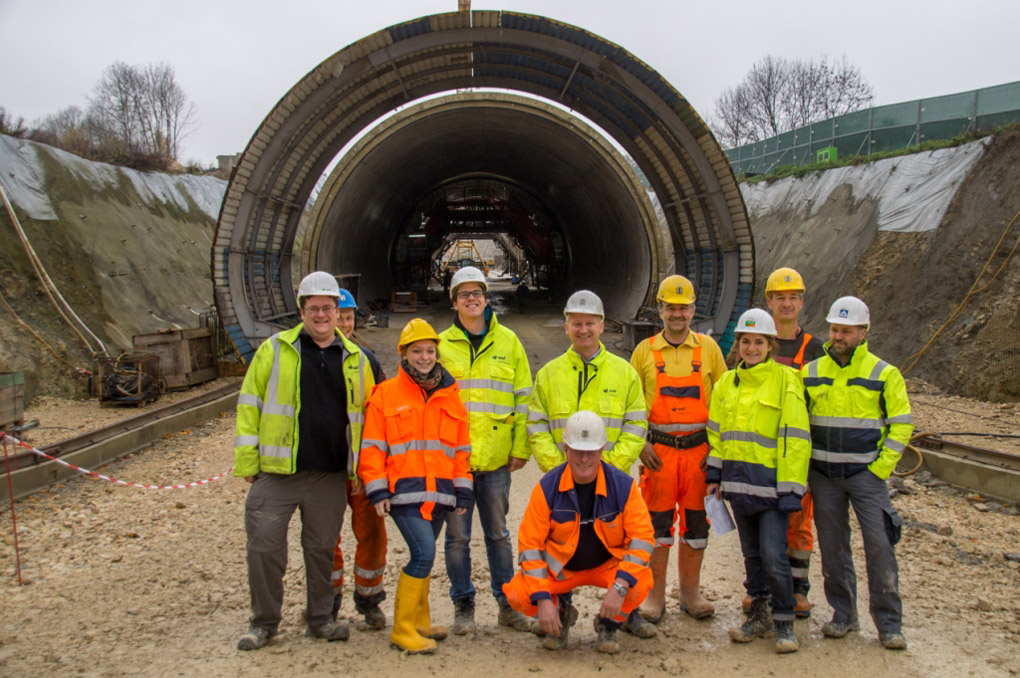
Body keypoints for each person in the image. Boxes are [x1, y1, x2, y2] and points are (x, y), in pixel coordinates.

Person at [234, 271, 375, 651]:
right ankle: (263, 622)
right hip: (277, 474)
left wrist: (362, 468)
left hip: (329, 476)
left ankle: (320, 620)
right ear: (302, 311)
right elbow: (250, 404)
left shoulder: (355, 358)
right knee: (264, 548)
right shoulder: (275, 350)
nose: (321, 315)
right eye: (313, 308)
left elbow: (366, 416)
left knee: (321, 551)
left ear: (336, 310)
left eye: (328, 308)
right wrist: (248, 462)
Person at [803, 296, 912, 650]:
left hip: (866, 477)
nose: (838, 336)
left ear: (863, 333)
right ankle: (843, 615)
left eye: (846, 331)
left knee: (880, 546)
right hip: (824, 476)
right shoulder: (812, 372)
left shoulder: (884, 373)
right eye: (835, 329)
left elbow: (901, 426)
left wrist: (879, 470)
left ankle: (889, 624)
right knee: (833, 549)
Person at [358, 318, 473, 654]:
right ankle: (403, 629)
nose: (424, 357)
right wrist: (377, 490)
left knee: (425, 555)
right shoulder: (386, 394)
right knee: (423, 553)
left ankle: (420, 620)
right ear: (403, 355)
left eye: (429, 351)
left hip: (439, 493)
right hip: (403, 493)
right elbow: (373, 446)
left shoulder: (451, 395)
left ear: (437, 354)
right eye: (417, 351)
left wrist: (462, 489)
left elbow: (461, 450)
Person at [503, 411, 656, 654]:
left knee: (639, 583)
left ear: (602, 450)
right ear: (566, 449)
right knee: (518, 594)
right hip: (562, 569)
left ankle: (609, 624)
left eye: (591, 452)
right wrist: (543, 599)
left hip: (608, 566)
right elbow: (529, 547)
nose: (584, 459)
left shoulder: (623, 487)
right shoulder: (547, 488)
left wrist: (619, 588)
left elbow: (643, 540)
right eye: (577, 451)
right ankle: (561, 613)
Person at [705, 308, 811, 654]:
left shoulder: (786, 380)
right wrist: (715, 474)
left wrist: (793, 489)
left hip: (772, 488)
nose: (751, 348)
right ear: (738, 345)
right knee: (751, 555)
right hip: (738, 485)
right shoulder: (726, 383)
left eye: (759, 342)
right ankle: (760, 615)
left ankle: (784, 623)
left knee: (773, 555)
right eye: (746, 341)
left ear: (770, 345)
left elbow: (796, 437)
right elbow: (717, 432)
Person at [437, 266, 537, 635]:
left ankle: (507, 605)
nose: (472, 299)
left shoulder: (509, 342)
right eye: (464, 294)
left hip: (496, 459)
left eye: (477, 292)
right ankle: (463, 605)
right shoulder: (440, 345)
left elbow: (524, 398)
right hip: (455, 462)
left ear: (486, 296)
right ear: (454, 301)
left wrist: (520, 447)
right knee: (457, 538)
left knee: (498, 534)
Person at [628, 275, 727, 628]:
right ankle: (655, 596)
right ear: (660, 310)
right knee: (657, 526)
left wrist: (716, 450)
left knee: (697, 525)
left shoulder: (709, 350)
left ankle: (690, 594)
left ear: (693, 310)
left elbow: (725, 404)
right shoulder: (644, 351)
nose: (677, 314)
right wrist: (640, 443)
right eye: (671, 307)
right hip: (660, 456)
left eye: (683, 308)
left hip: (699, 453)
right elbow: (631, 404)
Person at [751, 267, 826, 618]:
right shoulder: (757, 345)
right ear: (769, 302)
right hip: (762, 450)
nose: (786, 303)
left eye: (793, 297)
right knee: (765, 524)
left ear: (801, 301)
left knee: (798, 522)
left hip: (797, 450)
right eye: (779, 297)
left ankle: (798, 590)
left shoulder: (815, 350)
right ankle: (763, 590)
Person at [527, 290, 647, 474]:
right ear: (567, 327)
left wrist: (610, 468)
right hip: (562, 481)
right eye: (577, 324)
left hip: (612, 481)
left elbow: (636, 426)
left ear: (601, 326)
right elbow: (537, 426)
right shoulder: (548, 375)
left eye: (590, 323)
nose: (583, 330)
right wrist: (558, 469)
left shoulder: (625, 374)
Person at [329, 287, 388, 629]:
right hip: (329, 466)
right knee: (326, 537)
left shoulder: (367, 359)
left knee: (373, 534)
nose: (346, 323)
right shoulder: (310, 357)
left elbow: (380, 412)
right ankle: (330, 600)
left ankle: (369, 599)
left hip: (363, 466)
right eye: (341, 316)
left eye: (350, 317)